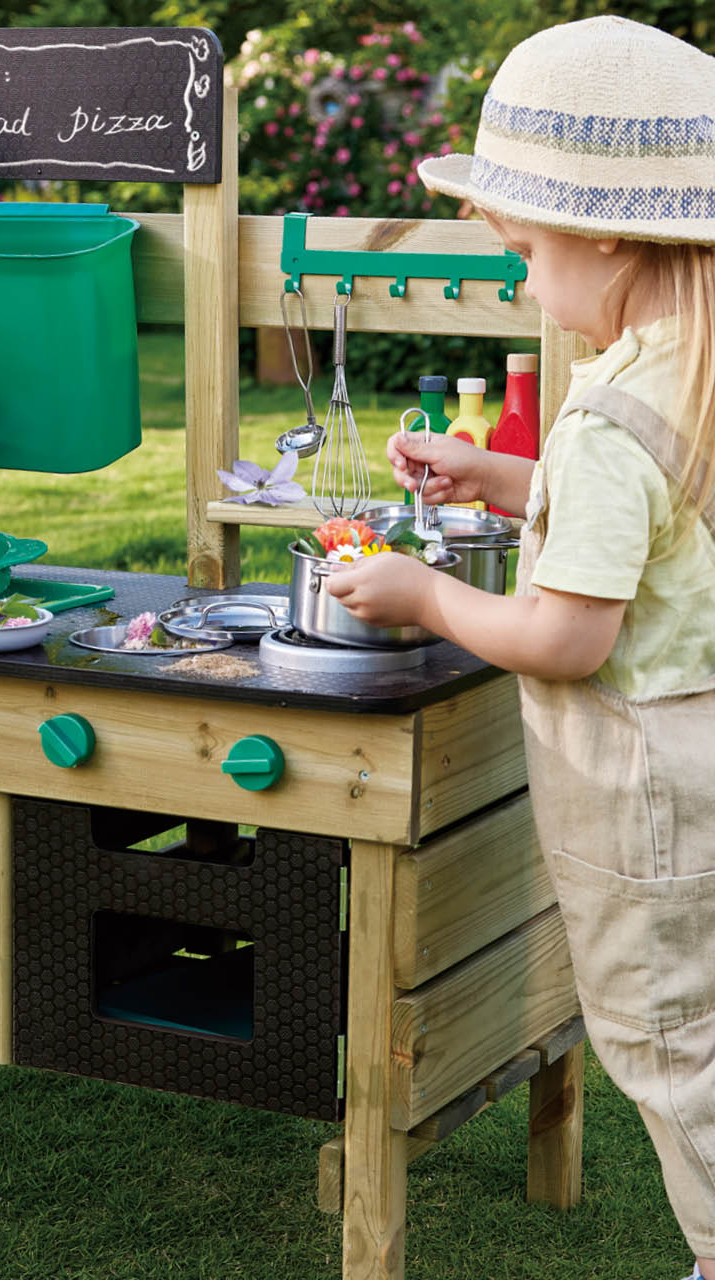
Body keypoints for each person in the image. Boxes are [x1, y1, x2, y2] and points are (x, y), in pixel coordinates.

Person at [323, 17, 715, 1277]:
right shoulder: (684, 374)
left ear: (604, 233)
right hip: (699, 750)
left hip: (639, 788)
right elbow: (650, 526)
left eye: (526, 250)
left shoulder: (608, 412)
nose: (522, 283)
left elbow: (560, 634)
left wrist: (422, 595)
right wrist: (501, 475)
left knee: (668, 1049)